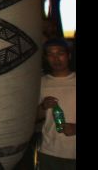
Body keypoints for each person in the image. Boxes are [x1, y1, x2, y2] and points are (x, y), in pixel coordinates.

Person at [37, 38, 76, 170]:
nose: (56, 58)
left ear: (68, 55)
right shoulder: (41, 82)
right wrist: (43, 107)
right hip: (49, 152)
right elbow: (32, 117)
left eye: (60, 53)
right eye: (51, 54)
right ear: (46, 58)